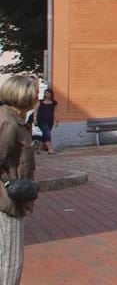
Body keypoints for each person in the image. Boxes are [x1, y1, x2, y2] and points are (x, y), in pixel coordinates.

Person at [0, 73, 38, 285]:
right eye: (35, 93)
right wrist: (8, 181)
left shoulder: (14, 119)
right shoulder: (8, 123)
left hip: (12, 197)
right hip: (7, 200)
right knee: (10, 259)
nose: (37, 98)